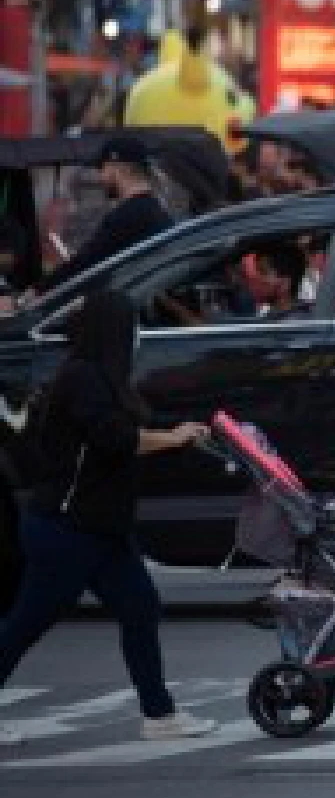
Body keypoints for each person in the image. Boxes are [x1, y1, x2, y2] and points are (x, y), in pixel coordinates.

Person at [0, 292, 216, 745]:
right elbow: (116, 439)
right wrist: (170, 438)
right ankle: (159, 712)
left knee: (140, 607)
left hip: (100, 528)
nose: (137, 337)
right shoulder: (82, 379)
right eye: (132, 327)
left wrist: (187, 430)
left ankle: (159, 715)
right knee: (26, 623)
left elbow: (143, 422)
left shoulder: (108, 379)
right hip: (67, 529)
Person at [36, 138, 173, 296]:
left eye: (102, 168)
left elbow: (87, 264)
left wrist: (36, 291)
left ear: (115, 168)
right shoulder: (156, 211)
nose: (101, 177)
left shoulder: (128, 216)